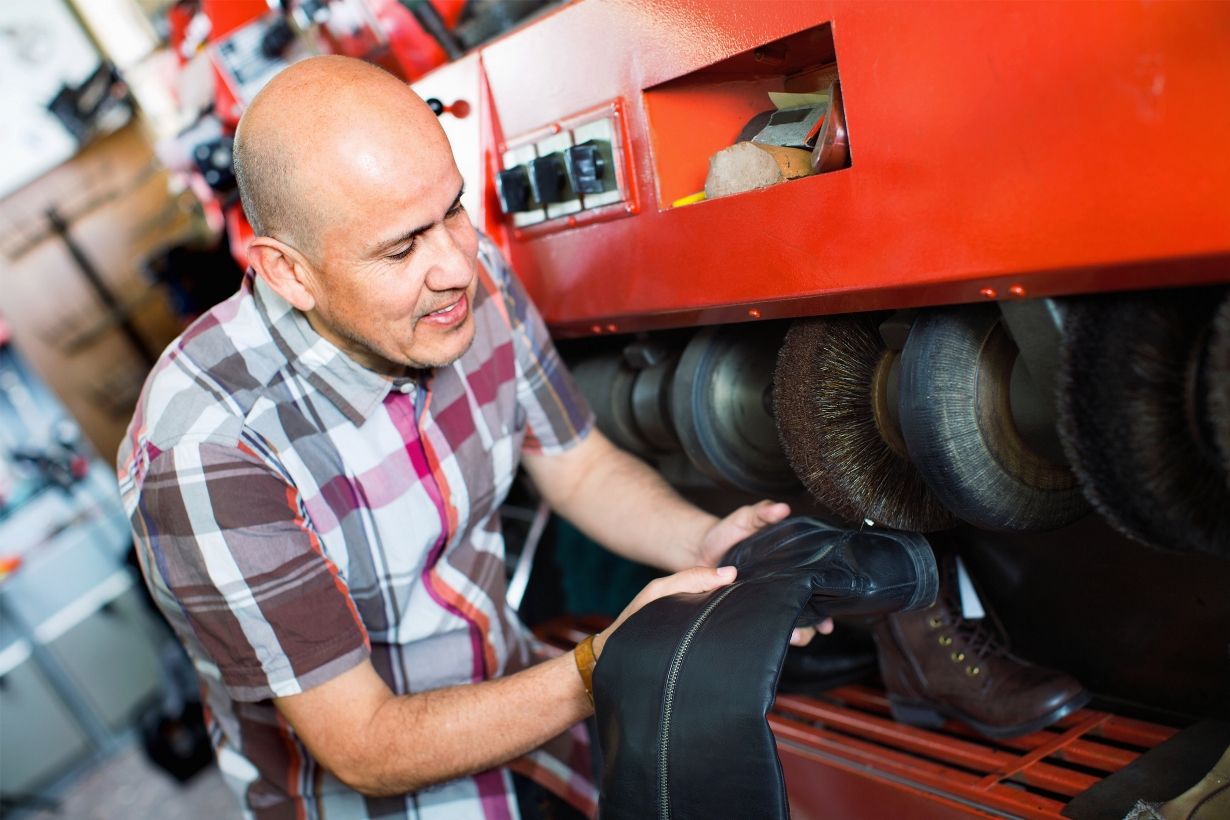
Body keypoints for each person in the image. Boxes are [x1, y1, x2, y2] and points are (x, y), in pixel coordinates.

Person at [117, 55, 822, 819]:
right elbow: (366, 747)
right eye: (401, 248)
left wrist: (706, 546)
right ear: (290, 273)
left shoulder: (466, 284)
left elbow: (577, 467)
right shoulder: (208, 452)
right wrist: (599, 670)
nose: (457, 264)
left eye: (452, 209)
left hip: (532, 721)